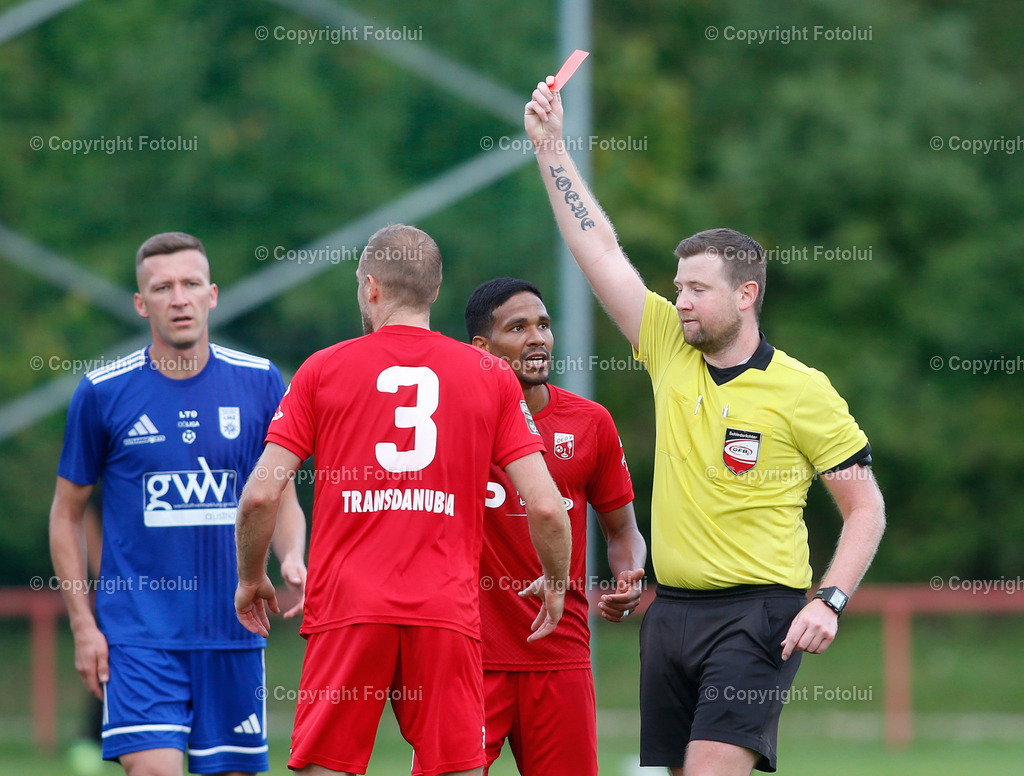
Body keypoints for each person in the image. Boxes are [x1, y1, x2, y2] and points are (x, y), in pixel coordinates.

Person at [524, 81, 886, 775]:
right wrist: (550, 147)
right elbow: (597, 248)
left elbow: (864, 508)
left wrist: (831, 601)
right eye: (678, 287)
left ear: (745, 295)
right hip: (669, 615)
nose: (680, 302)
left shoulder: (803, 390)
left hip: (758, 617)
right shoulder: (665, 343)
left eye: (697, 289)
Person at [234, 225, 573, 776]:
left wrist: (251, 577)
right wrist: (555, 582)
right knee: (457, 768)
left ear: (370, 288)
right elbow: (546, 506)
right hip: (444, 608)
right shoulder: (490, 375)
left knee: (325, 766)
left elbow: (260, 496)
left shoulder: (322, 369)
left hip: (348, 606)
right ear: (435, 291)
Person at [49, 231, 307, 776]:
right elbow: (66, 513)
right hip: (139, 639)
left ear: (212, 294)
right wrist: (83, 625)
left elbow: (279, 495)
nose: (179, 298)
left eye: (190, 284)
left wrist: (291, 557)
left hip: (236, 633)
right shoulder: (101, 393)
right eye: (162, 288)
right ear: (142, 304)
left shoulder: (260, 382)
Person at [464, 277, 647, 775]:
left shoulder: (590, 423)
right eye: (518, 327)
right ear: (482, 347)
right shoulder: (451, 426)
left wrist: (630, 574)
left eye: (543, 324)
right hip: (469, 652)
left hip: (559, 653)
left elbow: (622, 531)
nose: (538, 337)